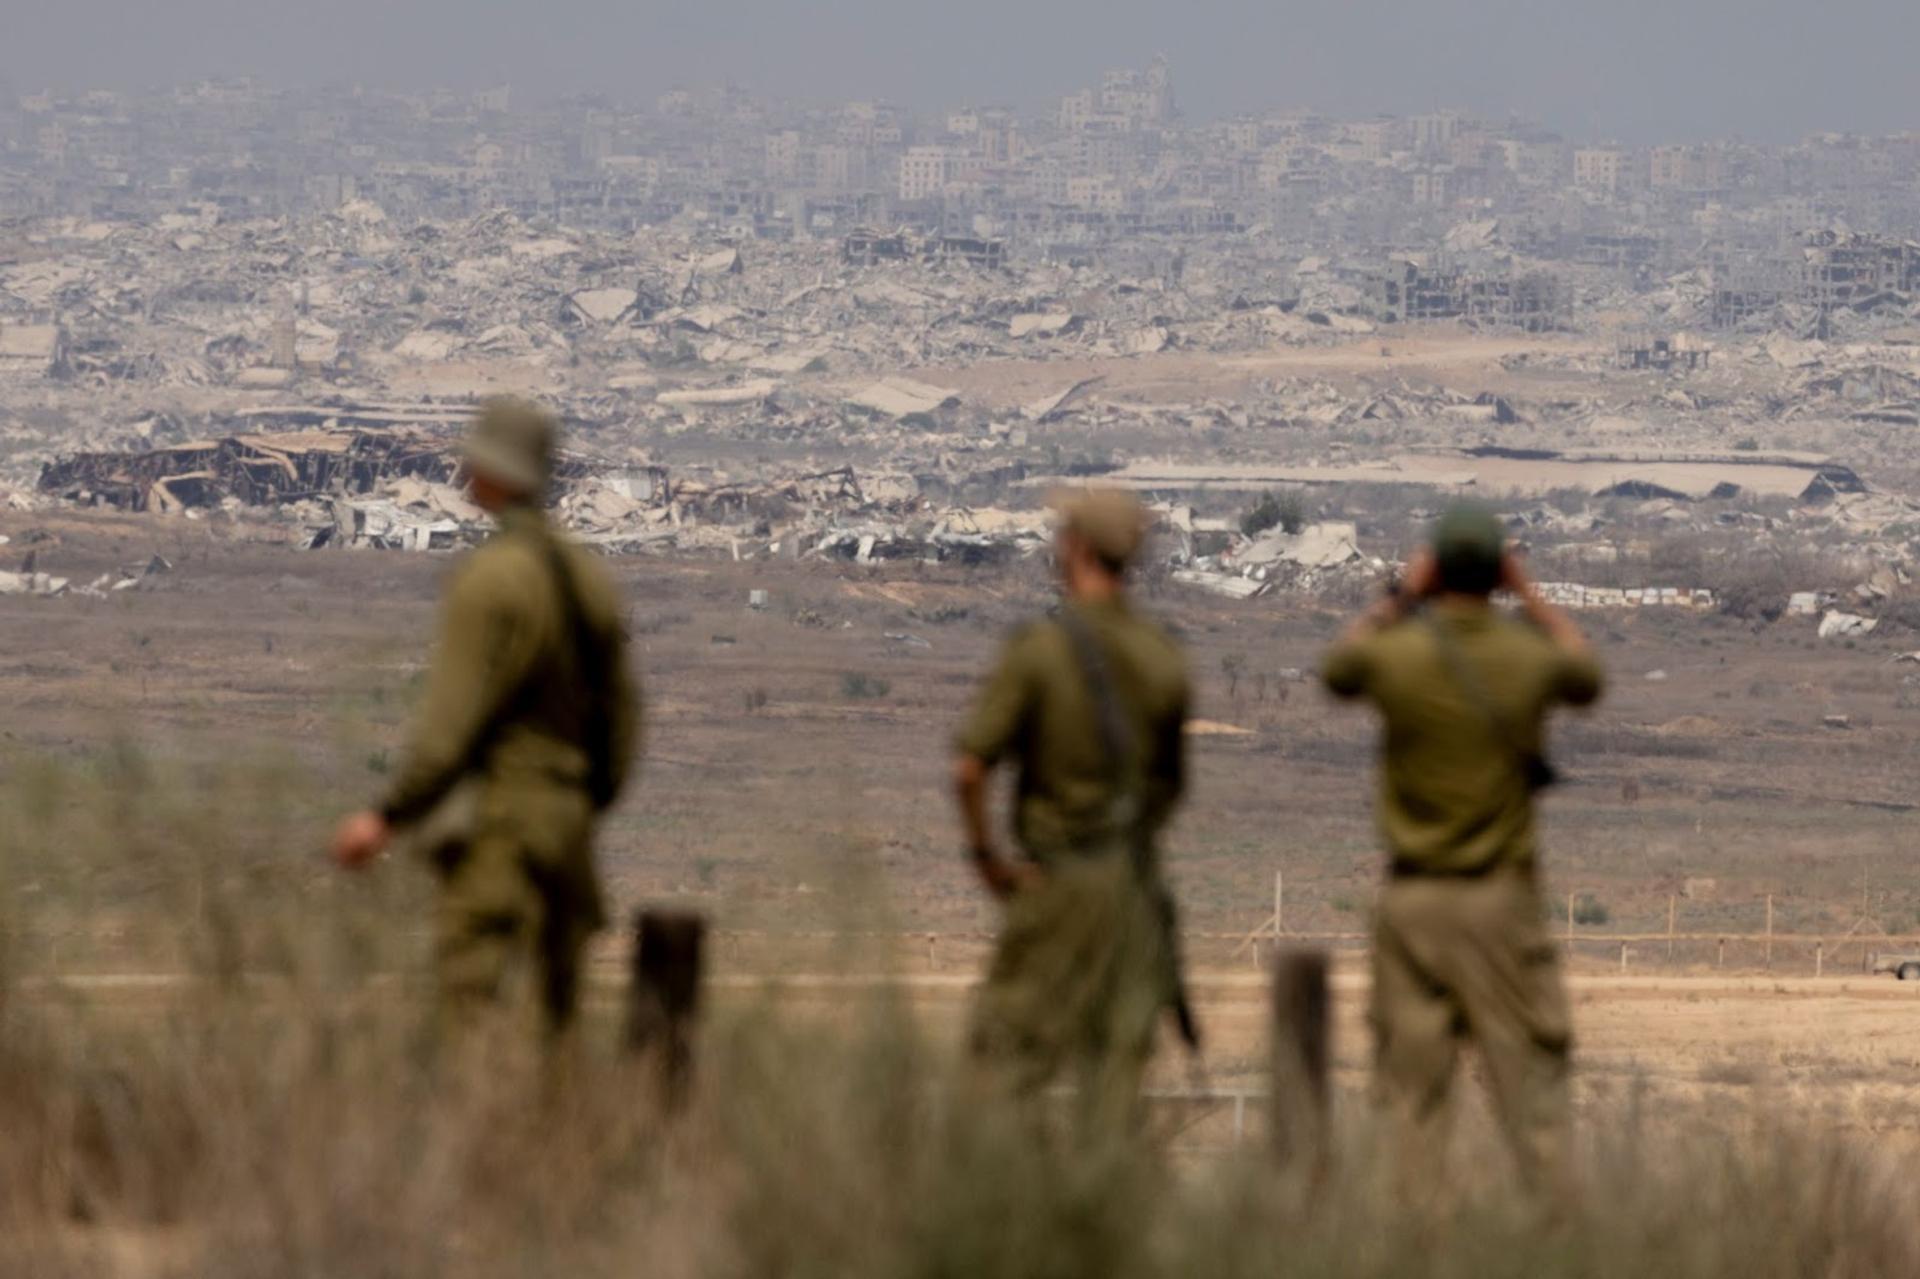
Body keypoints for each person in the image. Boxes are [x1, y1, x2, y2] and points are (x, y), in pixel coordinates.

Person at [332, 398, 640, 1047]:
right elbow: (624, 719)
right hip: (569, 828)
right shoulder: (589, 577)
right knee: (557, 1029)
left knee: (471, 1023)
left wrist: (385, 816)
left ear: (489, 471)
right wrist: (581, 798)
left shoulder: (491, 580)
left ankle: (487, 1147)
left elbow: (447, 731)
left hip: (501, 828)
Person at [1322, 503, 1602, 1204]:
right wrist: (1531, 594)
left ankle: (1415, 1247)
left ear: (1437, 567)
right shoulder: (1525, 658)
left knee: (1412, 1103)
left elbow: (1338, 668)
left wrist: (1401, 596)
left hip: (1413, 901)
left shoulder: (1401, 656)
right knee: (1533, 1099)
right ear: (1499, 572)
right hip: (1501, 901)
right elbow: (1586, 674)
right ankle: (1556, 1246)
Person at [951, 488, 1192, 1144]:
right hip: (1132, 892)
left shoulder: (1041, 651)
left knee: (1001, 1068)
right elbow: (1171, 788)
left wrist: (987, 858)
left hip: (1056, 885)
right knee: (1114, 1079)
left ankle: (1008, 1214)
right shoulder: (1164, 658)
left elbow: (971, 766)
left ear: (1076, 547)